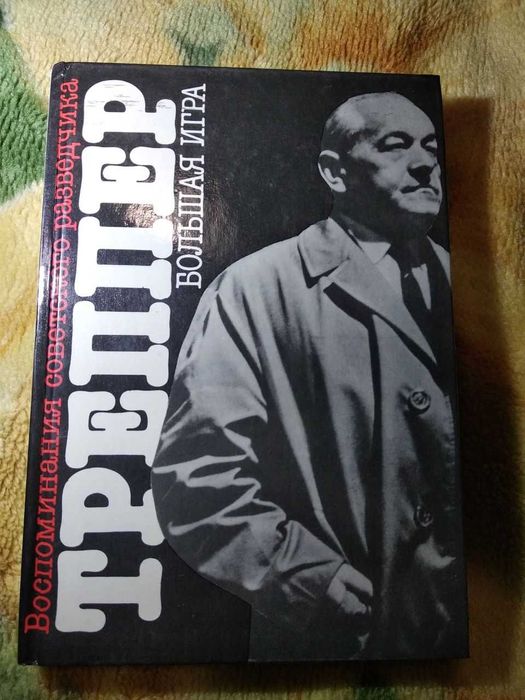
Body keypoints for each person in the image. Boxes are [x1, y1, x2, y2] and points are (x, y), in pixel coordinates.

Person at [151, 92, 468, 660]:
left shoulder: (471, 285)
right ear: (334, 172)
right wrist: (306, 578)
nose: (425, 163)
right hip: (330, 649)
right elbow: (195, 481)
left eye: (430, 146)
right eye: (395, 146)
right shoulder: (253, 289)